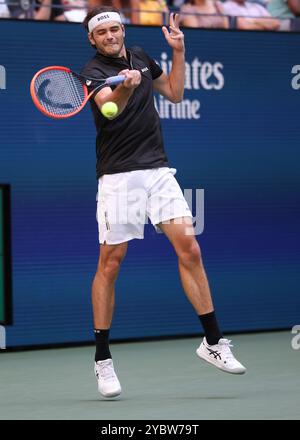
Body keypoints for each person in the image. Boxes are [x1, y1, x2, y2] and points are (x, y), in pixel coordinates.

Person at [81, 6, 246, 398]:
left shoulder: (139, 55)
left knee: (189, 247)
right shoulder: (91, 72)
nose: (109, 35)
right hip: (119, 177)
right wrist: (125, 85)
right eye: (101, 32)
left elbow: (173, 91)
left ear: (123, 30)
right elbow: (110, 107)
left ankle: (213, 342)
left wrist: (178, 51)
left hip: (157, 170)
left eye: (114, 28)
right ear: (92, 39)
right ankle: (102, 360)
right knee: (111, 262)